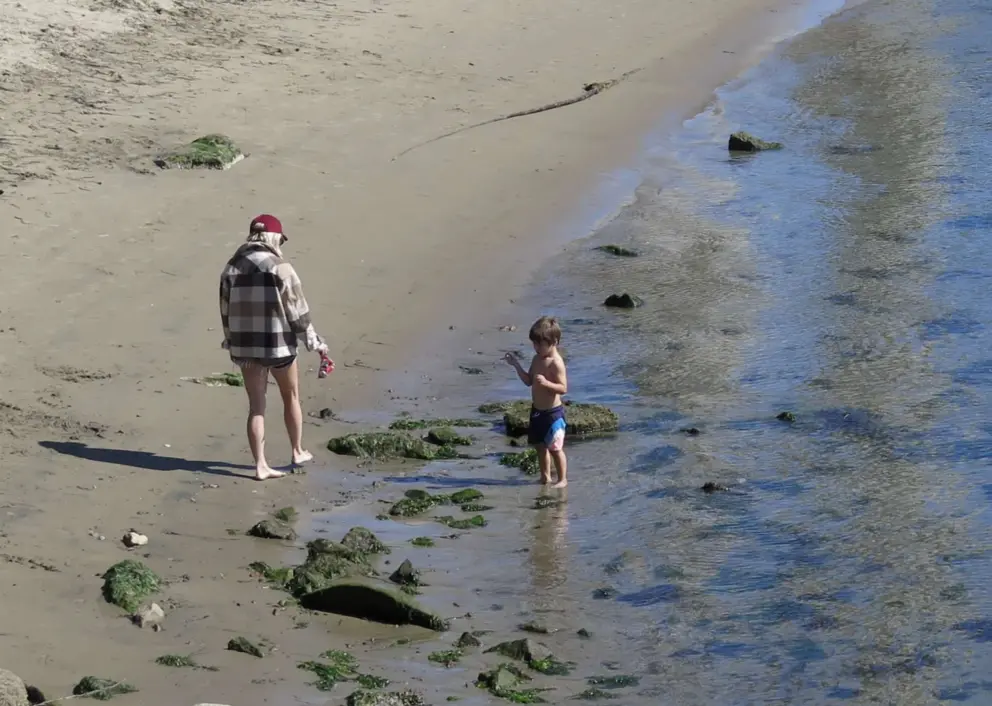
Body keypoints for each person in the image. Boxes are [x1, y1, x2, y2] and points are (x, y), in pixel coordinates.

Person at [219, 214, 333, 480]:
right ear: (274, 238)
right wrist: (315, 343)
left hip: (245, 347)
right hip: (278, 345)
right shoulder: (280, 267)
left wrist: (230, 340)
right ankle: (297, 450)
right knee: (290, 396)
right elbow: (298, 312)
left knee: (256, 406)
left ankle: (260, 465)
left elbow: (225, 310)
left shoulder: (231, 268)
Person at [504, 316, 569, 487]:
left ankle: (562, 479)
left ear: (554, 342)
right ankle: (545, 477)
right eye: (534, 344)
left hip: (553, 414)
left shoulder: (556, 363)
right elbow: (528, 381)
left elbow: (563, 388)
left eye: (540, 344)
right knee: (540, 447)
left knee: (555, 449)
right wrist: (516, 365)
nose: (536, 348)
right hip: (537, 411)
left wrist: (547, 383)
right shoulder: (536, 359)